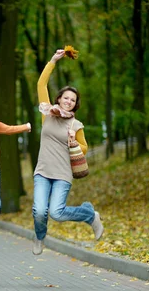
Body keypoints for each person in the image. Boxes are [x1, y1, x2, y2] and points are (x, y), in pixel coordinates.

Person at [31, 48, 104, 255]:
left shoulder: (76, 124)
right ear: (59, 98)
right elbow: (41, 84)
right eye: (66, 98)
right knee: (39, 211)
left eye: (72, 100)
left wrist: (73, 143)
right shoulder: (47, 114)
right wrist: (53, 60)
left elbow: (85, 148)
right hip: (43, 171)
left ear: (75, 104)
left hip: (63, 174)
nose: (68, 101)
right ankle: (39, 236)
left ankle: (89, 215)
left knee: (56, 212)